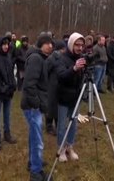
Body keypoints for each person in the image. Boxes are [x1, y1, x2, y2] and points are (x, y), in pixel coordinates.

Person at [21, 34, 53, 181]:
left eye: (51, 43)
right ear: (40, 44)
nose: (50, 45)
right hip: (32, 106)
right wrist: (37, 104)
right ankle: (36, 172)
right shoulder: (36, 58)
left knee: (34, 137)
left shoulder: (42, 58)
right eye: (47, 43)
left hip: (34, 104)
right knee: (38, 140)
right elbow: (29, 84)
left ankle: (33, 162)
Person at [55, 32, 86, 162]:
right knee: (62, 125)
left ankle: (70, 146)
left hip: (76, 97)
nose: (79, 47)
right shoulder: (62, 58)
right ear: (71, 45)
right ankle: (61, 149)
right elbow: (61, 76)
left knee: (73, 124)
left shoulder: (81, 57)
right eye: (77, 45)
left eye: (81, 45)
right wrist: (74, 68)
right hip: (63, 97)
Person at [45, 40, 66, 135]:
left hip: (60, 86)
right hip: (51, 86)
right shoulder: (51, 59)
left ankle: (58, 126)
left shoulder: (64, 58)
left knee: (58, 107)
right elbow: (46, 72)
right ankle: (49, 126)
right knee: (50, 107)